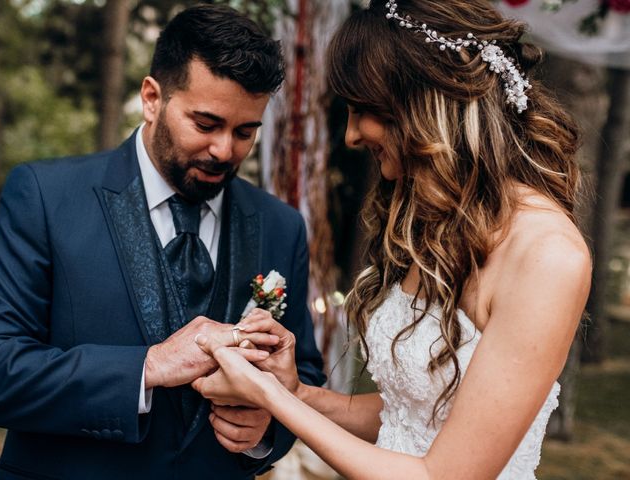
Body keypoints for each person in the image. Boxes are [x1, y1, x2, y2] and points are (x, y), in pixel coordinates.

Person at [190, 1, 592, 479]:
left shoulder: (548, 256)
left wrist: (269, 398)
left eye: (363, 111)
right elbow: (412, 413)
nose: (353, 136)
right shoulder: (440, 224)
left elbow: (441, 474)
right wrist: (296, 392)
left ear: (424, 103)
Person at [0, 4, 325, 479]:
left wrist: (267, 429)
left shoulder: (280, 225)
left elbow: (303, 374)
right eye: (206, 124)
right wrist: (147, 367)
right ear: (152, 98)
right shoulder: (45, 198)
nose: (225, 150)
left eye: (245, 131)